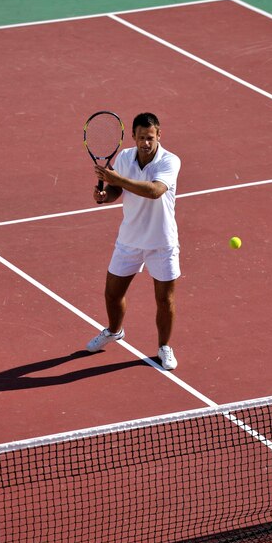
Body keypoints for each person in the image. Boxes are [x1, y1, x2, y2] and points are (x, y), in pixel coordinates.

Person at [86, 112, 181, 370]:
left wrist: (115, 178)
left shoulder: (169, 161)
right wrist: (105, 195)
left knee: (165, 300)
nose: (145, 143)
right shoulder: (126, 157)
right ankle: (115, 331)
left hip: (161, 242)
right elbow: (118, 189)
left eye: (150, 137)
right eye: (141, 138)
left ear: (159, 135)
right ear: (133, 137)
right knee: (112, 293)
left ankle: (164, 347)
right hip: (129, 240)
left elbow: (154, 191)